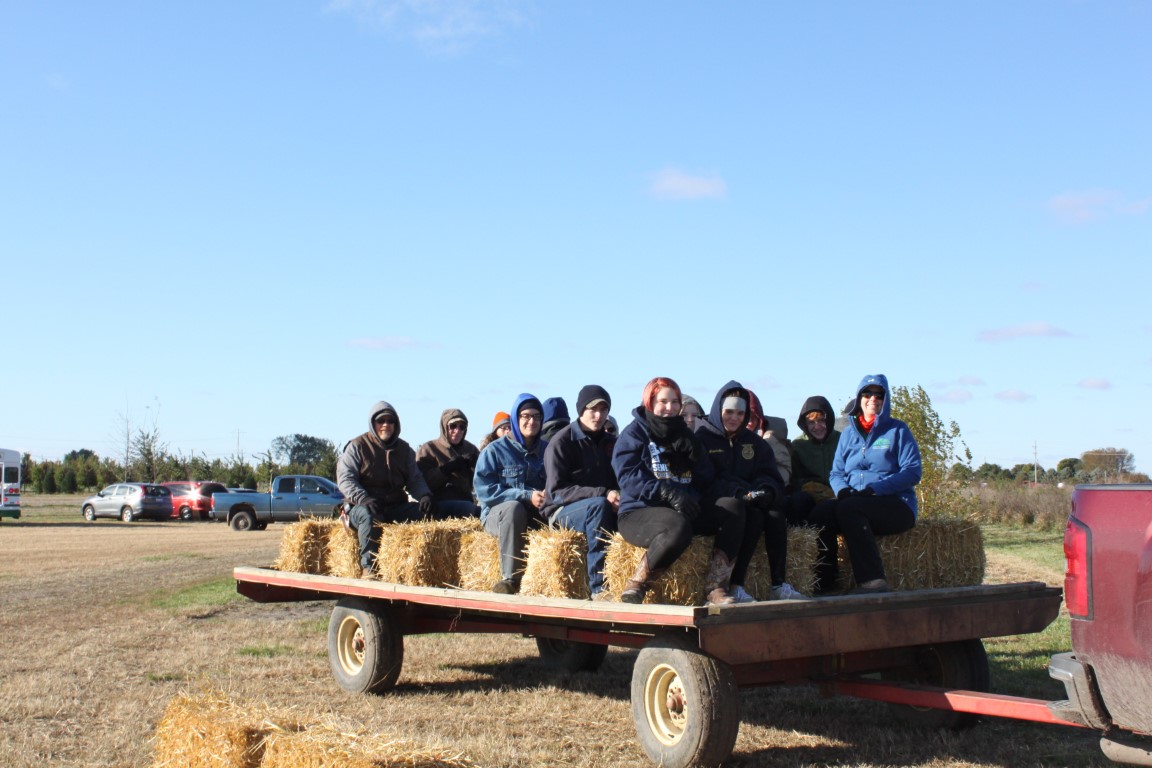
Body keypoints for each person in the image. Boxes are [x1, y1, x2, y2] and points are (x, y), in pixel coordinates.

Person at [611, 376, 744, 605]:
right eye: (663, 401)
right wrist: (666, 492)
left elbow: (706, 480)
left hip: (683, 507)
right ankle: (637, 584)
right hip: (639, 512)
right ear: (650, 402)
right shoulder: (634, 434)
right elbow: (628, 477)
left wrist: (696, 457)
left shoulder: (686, 434)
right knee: (677, 523)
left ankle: (716, 588)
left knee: (733, 508)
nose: (669, 407)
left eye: (674, 402)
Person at [810, 375, 922, 595]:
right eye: (867, 393)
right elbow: (836, 472)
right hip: (855, 502)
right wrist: (842, 491)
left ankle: (873, 581)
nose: (873, 399)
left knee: (850, 508)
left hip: (896, 505)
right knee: (821, 512)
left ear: (886, 399)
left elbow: (912, 471)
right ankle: (827, 583)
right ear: (859, 397)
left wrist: (875, 489)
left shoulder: (898, 430)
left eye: (879, 394)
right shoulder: (848, 434)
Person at [695, 381, 803, 602]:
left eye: (740, 413)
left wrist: (766, 490)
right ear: (718, 410)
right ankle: (726, 584)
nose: (734, 418)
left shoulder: (754, 443)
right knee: (745, 513)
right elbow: (704, 478)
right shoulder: (703, 439)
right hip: (716, 505)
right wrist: (737, 491)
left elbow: (770, 474)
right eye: (729, 412)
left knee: (773, 514)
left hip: (749, 500)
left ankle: (776, 583)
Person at [337, 401, 435, 578]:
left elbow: (415, 479)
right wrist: (363, 498)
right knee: (369, 516)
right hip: (361, 505)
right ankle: (368, 568)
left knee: (426, 513)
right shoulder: (358, 446)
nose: (386, 425)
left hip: (393, 505)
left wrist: (424, 496)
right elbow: (345, 478)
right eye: (381, 421)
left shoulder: (405, 450)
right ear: (372, 423)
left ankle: (420, 572)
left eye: (390, 421)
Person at [542, 385, 620, 597]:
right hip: (561, 511)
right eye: (592, 409)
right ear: (581, 410)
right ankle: (599, 588)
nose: (598, 415)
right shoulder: (561, 442)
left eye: (604, 410)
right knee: (599, 506)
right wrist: (603, 493)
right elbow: (557, 492)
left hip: (601, 504)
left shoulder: (612, 443)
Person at [474, 394, 549, 594]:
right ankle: (510, 579)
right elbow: (485, 491)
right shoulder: (494, 451)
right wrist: (525, 495)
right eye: (525, 416)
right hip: (498, 516)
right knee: (514, 508)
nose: (531, 421)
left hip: (536, 513)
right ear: (515, 418)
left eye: (536, 416)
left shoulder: (548, 450)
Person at [416, 409, 481, 518]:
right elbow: (420, 482)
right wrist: (446, 469)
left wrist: (477, 467)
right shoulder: (429, 449)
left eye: (462, 427)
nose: (457, 431)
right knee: (469, 509)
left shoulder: (471, 449)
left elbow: (483, 482)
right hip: (438, 504)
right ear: (444, 427)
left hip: (466, 500)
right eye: (453, 426)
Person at [786, 395, 841, 524]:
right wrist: (809, 486)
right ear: (805, 424)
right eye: (811, 422)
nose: (817, 427)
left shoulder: (842, 440)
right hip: (813, 497)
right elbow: (794, 478)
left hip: (840, 493)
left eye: (821, 420)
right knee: (798, 500)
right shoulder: (798, 445)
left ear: (830, 420)